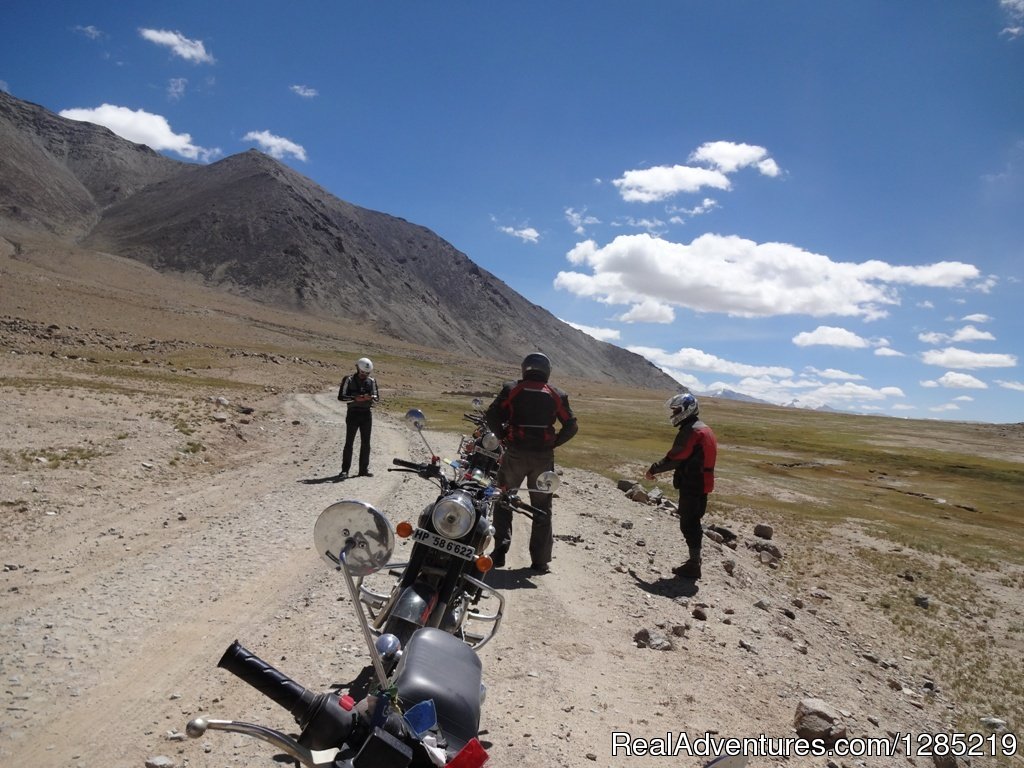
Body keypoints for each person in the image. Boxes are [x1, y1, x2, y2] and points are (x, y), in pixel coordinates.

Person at [485, 352, 578, 573]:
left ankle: (498, 554)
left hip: (515, 454)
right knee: (542, 508)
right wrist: (553, 443)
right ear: (547, 370)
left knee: (503, 500)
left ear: (525, 368)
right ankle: (540, 561)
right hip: (543, 459)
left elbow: (492, 415)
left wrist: (503, 437)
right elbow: (571, 425)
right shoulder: (557, 394)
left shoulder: (512, 388)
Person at [645, 392, 717, 579]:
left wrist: (654, 469)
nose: (674, 413)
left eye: (677, 409)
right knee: (693, 520)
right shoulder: (704, 428)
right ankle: (694, 561)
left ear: (687, 410)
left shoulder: (692, 431)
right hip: (702, 482)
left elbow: (677, 456)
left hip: (693, 482)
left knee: (689, 523)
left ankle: (694, 565)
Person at [337, 357, 379, 479]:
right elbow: (341, 397)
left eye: (366, 373)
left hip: (366, 415)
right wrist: (355, 398)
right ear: (357, 369)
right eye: (362, 372)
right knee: (349, 443)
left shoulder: (371, 381)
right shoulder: (348, 380)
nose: (364, 375)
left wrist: (369, 398)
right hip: (353, 414)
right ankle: (345, 470)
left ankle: (363, 470)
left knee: (366, 443)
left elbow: (377, 398)